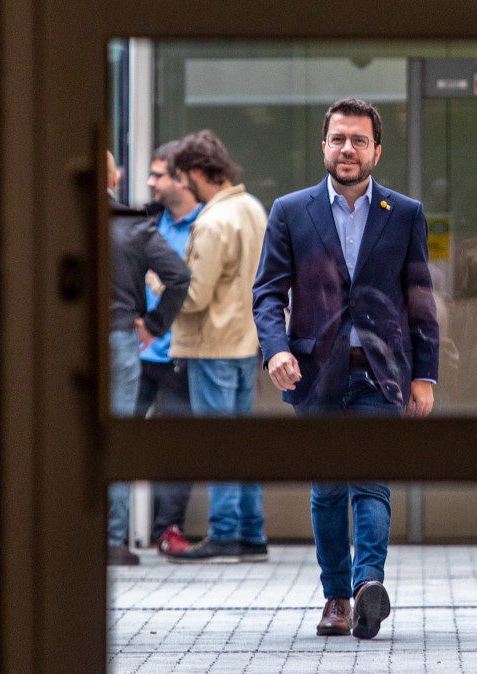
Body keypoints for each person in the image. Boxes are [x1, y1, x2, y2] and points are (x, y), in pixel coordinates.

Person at [252, 98, 440, 639]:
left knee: (372, 482)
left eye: (359, 140)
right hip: (314, 370)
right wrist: (276, 348)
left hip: (382, 371)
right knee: (329, 488)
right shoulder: (291, 210)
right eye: (338, 139)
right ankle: (336, 596)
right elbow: (267, 292)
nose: (348, 149)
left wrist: (424, 375)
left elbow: (420, 299)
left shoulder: (404, 214)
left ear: (377, 150)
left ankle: (366, 589)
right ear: (324, 146)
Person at [166, 130, 270, 564]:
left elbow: (194, 296)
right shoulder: (252, 209)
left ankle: (224, 534)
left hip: (212, 345)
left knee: (218, 444)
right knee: (240, 441)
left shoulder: (211, 221)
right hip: (248, 341)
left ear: (194, 173)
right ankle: (251, 533)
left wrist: (159, 286)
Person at [104, 150, 191, 566]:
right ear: (115, 178)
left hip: (64, 343)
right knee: (116, 435)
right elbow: (179, 275)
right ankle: (113, 541)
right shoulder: (132, 225)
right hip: (120, 337)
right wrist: (154, 325)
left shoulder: (51, 221)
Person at [135, 141, 203, 556]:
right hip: (140, 350)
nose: (150, 182)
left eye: (159, 174)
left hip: (184, 352)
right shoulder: (145, 220)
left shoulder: (210, 223)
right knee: (118, 433)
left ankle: (167, 529)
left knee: (182, 445)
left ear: (182, 178)